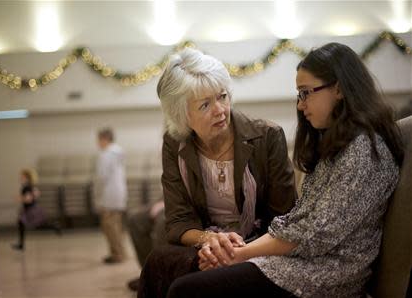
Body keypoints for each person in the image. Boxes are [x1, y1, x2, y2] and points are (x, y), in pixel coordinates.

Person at [165, 43, 404, 298]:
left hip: (326, 273)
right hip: (302, 262)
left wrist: (239, 253)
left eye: (306, 93)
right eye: (299, 95)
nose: (300, 105)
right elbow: (299, 219)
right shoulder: (341, 146)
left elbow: (315, 232)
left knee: (186, 289)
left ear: (338, 88)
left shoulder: (364, 149)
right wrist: (233, 250)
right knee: (170, 267)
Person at [138, 48, 297, 297]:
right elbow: (178, 221)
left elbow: (284, 217)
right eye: (205, 105)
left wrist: (236, 251)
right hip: (205, 244)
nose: (220, 110)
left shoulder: (267, 137)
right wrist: (209, 241)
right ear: (182, 116)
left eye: (222, 96)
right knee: (159, 258)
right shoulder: (174, 143)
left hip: (261, 244)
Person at [95, 128, 128, 264]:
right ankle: (121, 252)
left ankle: (116, 254)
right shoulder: (118, 152)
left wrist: (97, 194)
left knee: (109, 226)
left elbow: (102, 176)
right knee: (117, 225)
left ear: (105, 139)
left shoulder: (107, 154)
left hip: (109, 193)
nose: (97, 143)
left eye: (98, 140)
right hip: (118, 191)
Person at [12, 169, 60, 251]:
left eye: (22, 176)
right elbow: (37, 194)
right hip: (31, 209)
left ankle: (53, 226)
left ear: (26, 177)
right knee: (22, 223)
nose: (20, 177)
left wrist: (20, 198)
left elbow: (29, 199)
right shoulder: (30, 185)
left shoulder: (27, 187)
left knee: (33, 225)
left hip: (31, 210)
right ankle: (21, 244)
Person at [126, 199, 166, 291]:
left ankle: (162, 277)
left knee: (163, 222)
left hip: (187, 202)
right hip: (169, 198)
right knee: (136, 219)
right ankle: (148, 274)